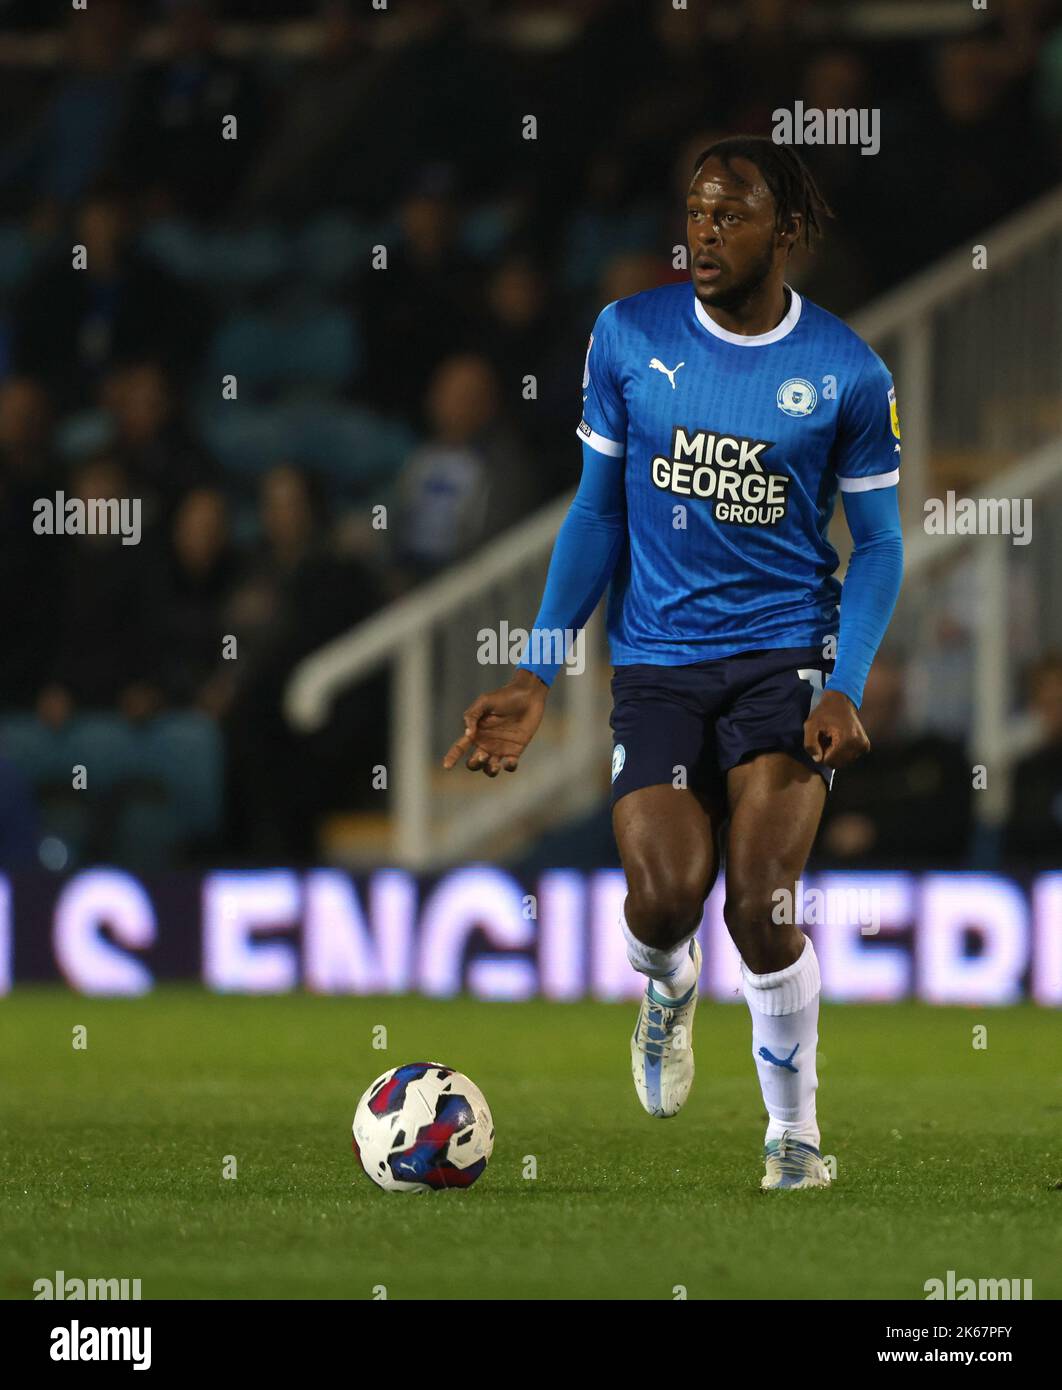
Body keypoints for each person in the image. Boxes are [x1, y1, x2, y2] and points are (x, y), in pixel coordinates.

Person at [444, 137, 904, 1191]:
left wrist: (848, 679)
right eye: (695, 212)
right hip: (655, 662)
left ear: (785, 233)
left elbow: (877, 544)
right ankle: (666, 988)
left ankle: (794, 1137)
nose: (704, 233)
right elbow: (597, 511)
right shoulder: (628, 335)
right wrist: (535, 670)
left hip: (785, 654)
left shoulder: (844, 371)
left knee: (763, 902)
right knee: (664, 895)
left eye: (730, 216)